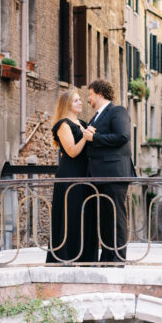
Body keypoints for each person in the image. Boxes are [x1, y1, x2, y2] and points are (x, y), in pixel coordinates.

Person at [83, 78, 135, 263]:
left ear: (99, 93)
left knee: (116, 217)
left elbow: (123, 136)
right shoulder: (96, 116)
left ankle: (117, 260)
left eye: (90, 94)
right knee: (105, 219)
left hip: (114, 174)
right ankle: (106, 258)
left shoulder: (117, 111)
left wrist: (94, 138)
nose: (88, 98)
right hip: (99, 175)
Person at [46, 87, 97, 263]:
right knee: (71, 215)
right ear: (67, 104)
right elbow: (72, 152)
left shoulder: (82, 123)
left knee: (85, 214)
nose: (81, 102)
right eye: (76, 100)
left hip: (85, 174)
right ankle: (67, 257)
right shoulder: (63, 125)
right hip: (71, 175)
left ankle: (85, 257)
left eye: (80, 99)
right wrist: (85, 137)